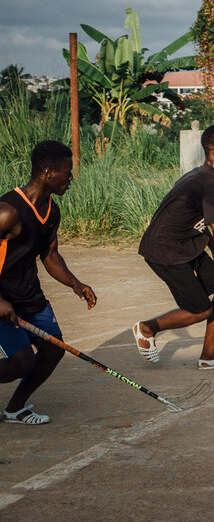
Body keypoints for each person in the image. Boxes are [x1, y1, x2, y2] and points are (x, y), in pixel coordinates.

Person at [132, 125, 214, 370]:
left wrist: (211, 248)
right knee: (200, 310)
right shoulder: (208, 184)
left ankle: (210, 356)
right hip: (165, 250)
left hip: (186, 244)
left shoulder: (202, 177)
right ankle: (147, 328)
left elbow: (201, 224)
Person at [0, 141, 96, 425]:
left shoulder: (51, 210)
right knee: (22, 363)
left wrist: (75, 284)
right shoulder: (8, 211)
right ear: (47, 171)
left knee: (54, 350)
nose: (71, 178)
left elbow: (50, 254)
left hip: (30, 296)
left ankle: (15, 409)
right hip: (3, 298)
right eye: (67, 172)